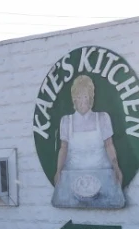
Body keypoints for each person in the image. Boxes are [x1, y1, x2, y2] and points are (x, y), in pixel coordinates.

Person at [51, 75, 125, 208]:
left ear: (91, 98)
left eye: (85, 96)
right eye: (78, 97)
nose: (82, 101)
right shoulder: (66, 121)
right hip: (73, 179)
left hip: (102, 179)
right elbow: (64, 148)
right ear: (74, 99)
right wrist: (58, 170)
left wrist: (116, 167)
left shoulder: (102, 118)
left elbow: (109, 145)